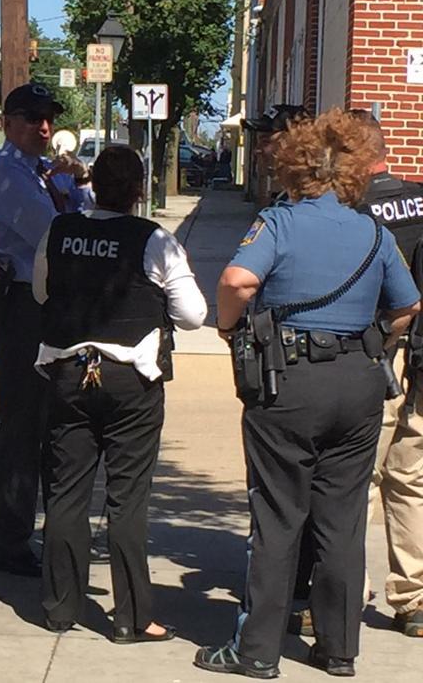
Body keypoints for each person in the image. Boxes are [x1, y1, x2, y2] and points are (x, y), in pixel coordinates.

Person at [195, 108, 421, 679]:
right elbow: (407, 305)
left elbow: (236, 281)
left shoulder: (279, 223)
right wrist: (372, 340)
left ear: (294, 167)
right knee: (342, 521)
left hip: (288, 380)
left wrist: (228, 329)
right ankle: (339, 649)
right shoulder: (371, 230)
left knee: (277, 516)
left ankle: (258, 651)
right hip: (359, 381)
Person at [34, 146, 207, 641]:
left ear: (92, 183)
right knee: (127, 499)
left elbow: (41, 293)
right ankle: (132, 617)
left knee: (66, 493)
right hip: (130, 380)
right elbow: (193, 315)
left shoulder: (61, 230)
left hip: (68, 371)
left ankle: (60, 607)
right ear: (138, 190)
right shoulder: (154, 240)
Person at [0, 83, 74, 576]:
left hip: (45, 307)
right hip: (21, 308)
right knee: (21, 426)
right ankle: (11, 539)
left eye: (48, 117)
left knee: (47, 422)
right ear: (10, 122)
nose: (44, 127)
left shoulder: (38, 173)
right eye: (34, 117)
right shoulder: (6, 177)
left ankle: (37, 533)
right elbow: (58, 234)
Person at [351, 111, 423, 639]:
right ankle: (415, 600)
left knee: (354, 481)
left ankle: (349, 590)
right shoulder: (421, 198)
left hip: (382, 355)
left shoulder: (357, 212)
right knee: (411, 480)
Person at [241, 104, 309, 206]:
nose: (257, 150)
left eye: (265, 142)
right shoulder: (288, 197)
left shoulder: (310, 204)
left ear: (294, 143)